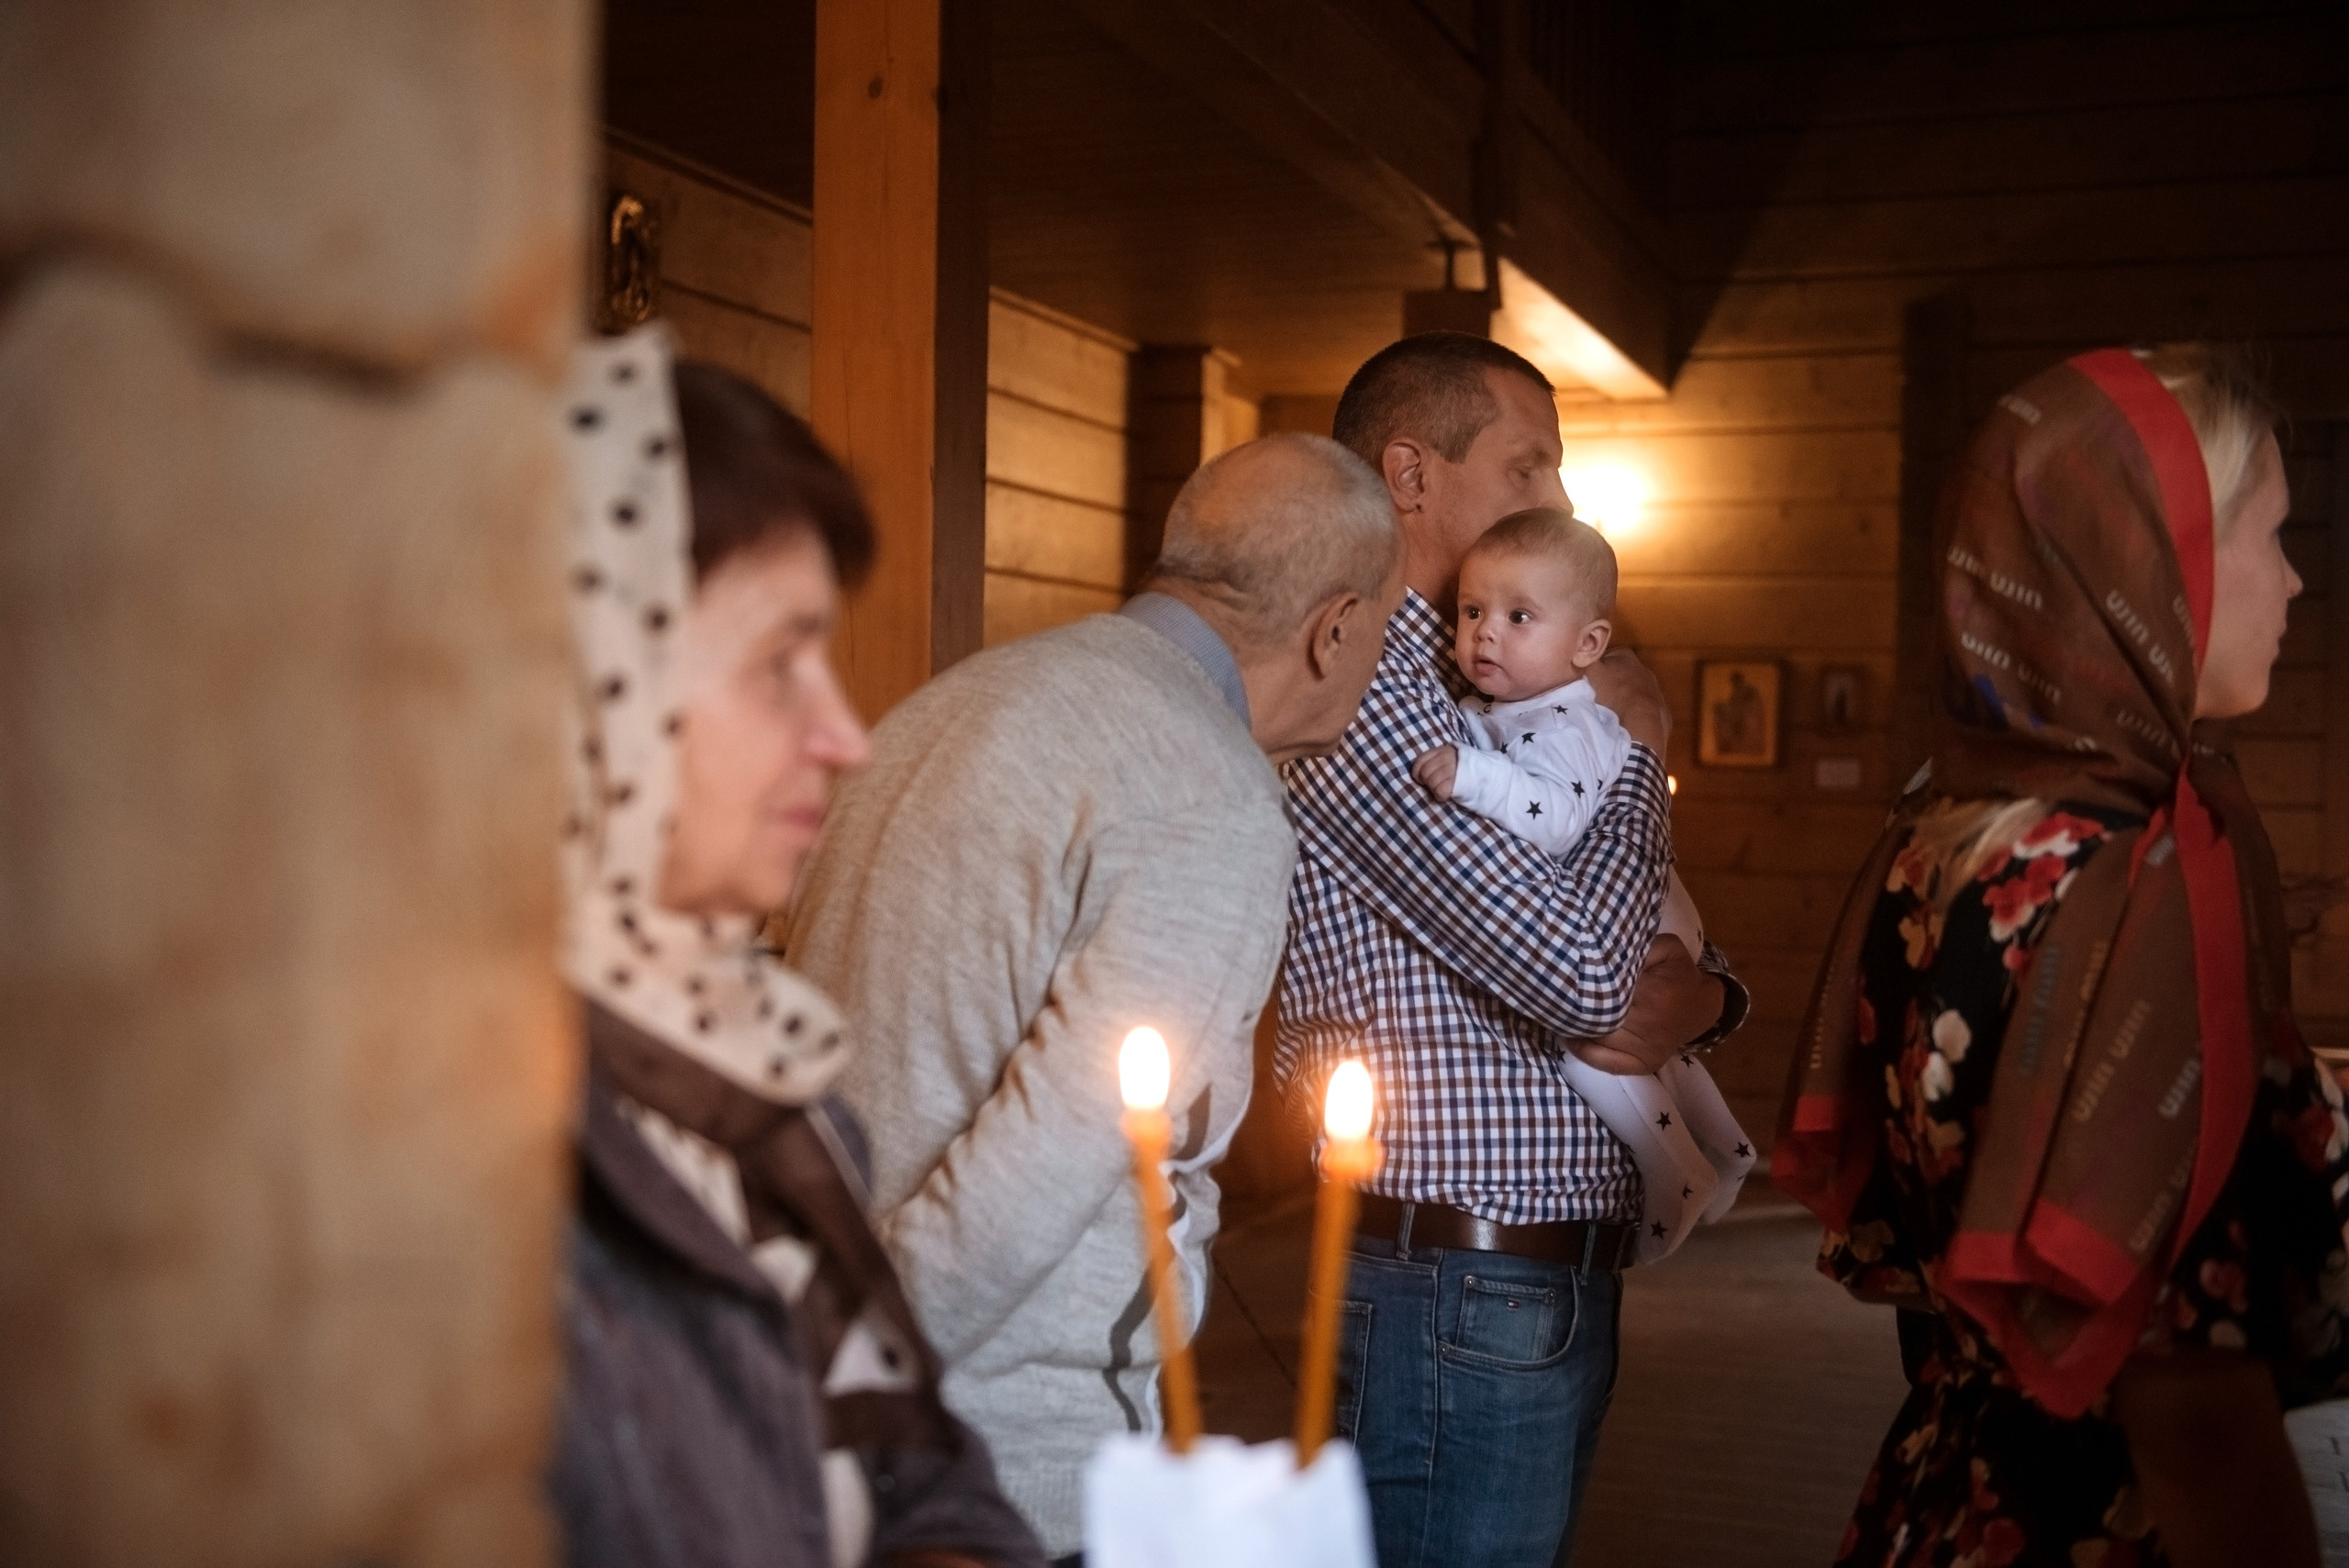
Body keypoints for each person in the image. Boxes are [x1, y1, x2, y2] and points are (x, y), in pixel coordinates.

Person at [784, 434, 1406, 1563]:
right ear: (1337, 626)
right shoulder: (1205, 791)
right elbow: (1055, 1155)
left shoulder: (945, 704)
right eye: (1388, 628)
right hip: (993, 1456)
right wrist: (845, 1367)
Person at [1775, 344, 2347, 1568]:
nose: (2297, 583)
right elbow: (2195, 1417)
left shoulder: (1943, 835)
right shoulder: (2142, 883)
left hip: (1944, 1501)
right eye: (2270, 536)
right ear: (2158, 561)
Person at [546, 331, 1044, 1568]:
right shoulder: (417, 1169)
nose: (845, 735)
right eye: (780, 665)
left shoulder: (761, 1069)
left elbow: (916, 1463)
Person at [1277, 331, 1750, 1568]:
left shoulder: (1480, 691)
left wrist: (1702, 991)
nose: (1562, 499)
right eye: (1531, 465)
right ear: (1409, 473)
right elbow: (1590, 976)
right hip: (1453, 1276)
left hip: (1533, 1276)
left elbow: (1657, 955)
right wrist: (1641, 758)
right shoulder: (1367, 680)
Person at [1409, 506, 1754, 1261]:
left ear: (1587, 645)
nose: (1485, 633)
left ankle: (1678, 1174)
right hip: (1654, 903)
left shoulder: (1564, 725)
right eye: (1471, 611)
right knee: (1656, 1044)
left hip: (1647, 910)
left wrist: (1475, 774)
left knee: (1588, 1039)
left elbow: (1558, 816)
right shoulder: (1515, 707)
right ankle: (1727, 1147)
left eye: (1518, 616)